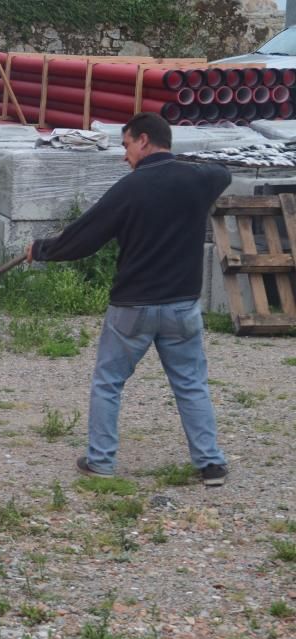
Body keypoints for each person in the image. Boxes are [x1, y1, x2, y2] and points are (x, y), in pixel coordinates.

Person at [25, 112, 230, 487]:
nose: (125, 156)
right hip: (182, 305)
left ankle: (101, 462)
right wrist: (186, 172)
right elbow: (223, 173)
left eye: (126, 146)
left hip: (132, 307)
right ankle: (211, 464)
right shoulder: (199, 180)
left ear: (145, 140)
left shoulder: (128, 189)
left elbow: (83, 238)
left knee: (108, 382)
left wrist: (41, 249)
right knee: (191, 384)